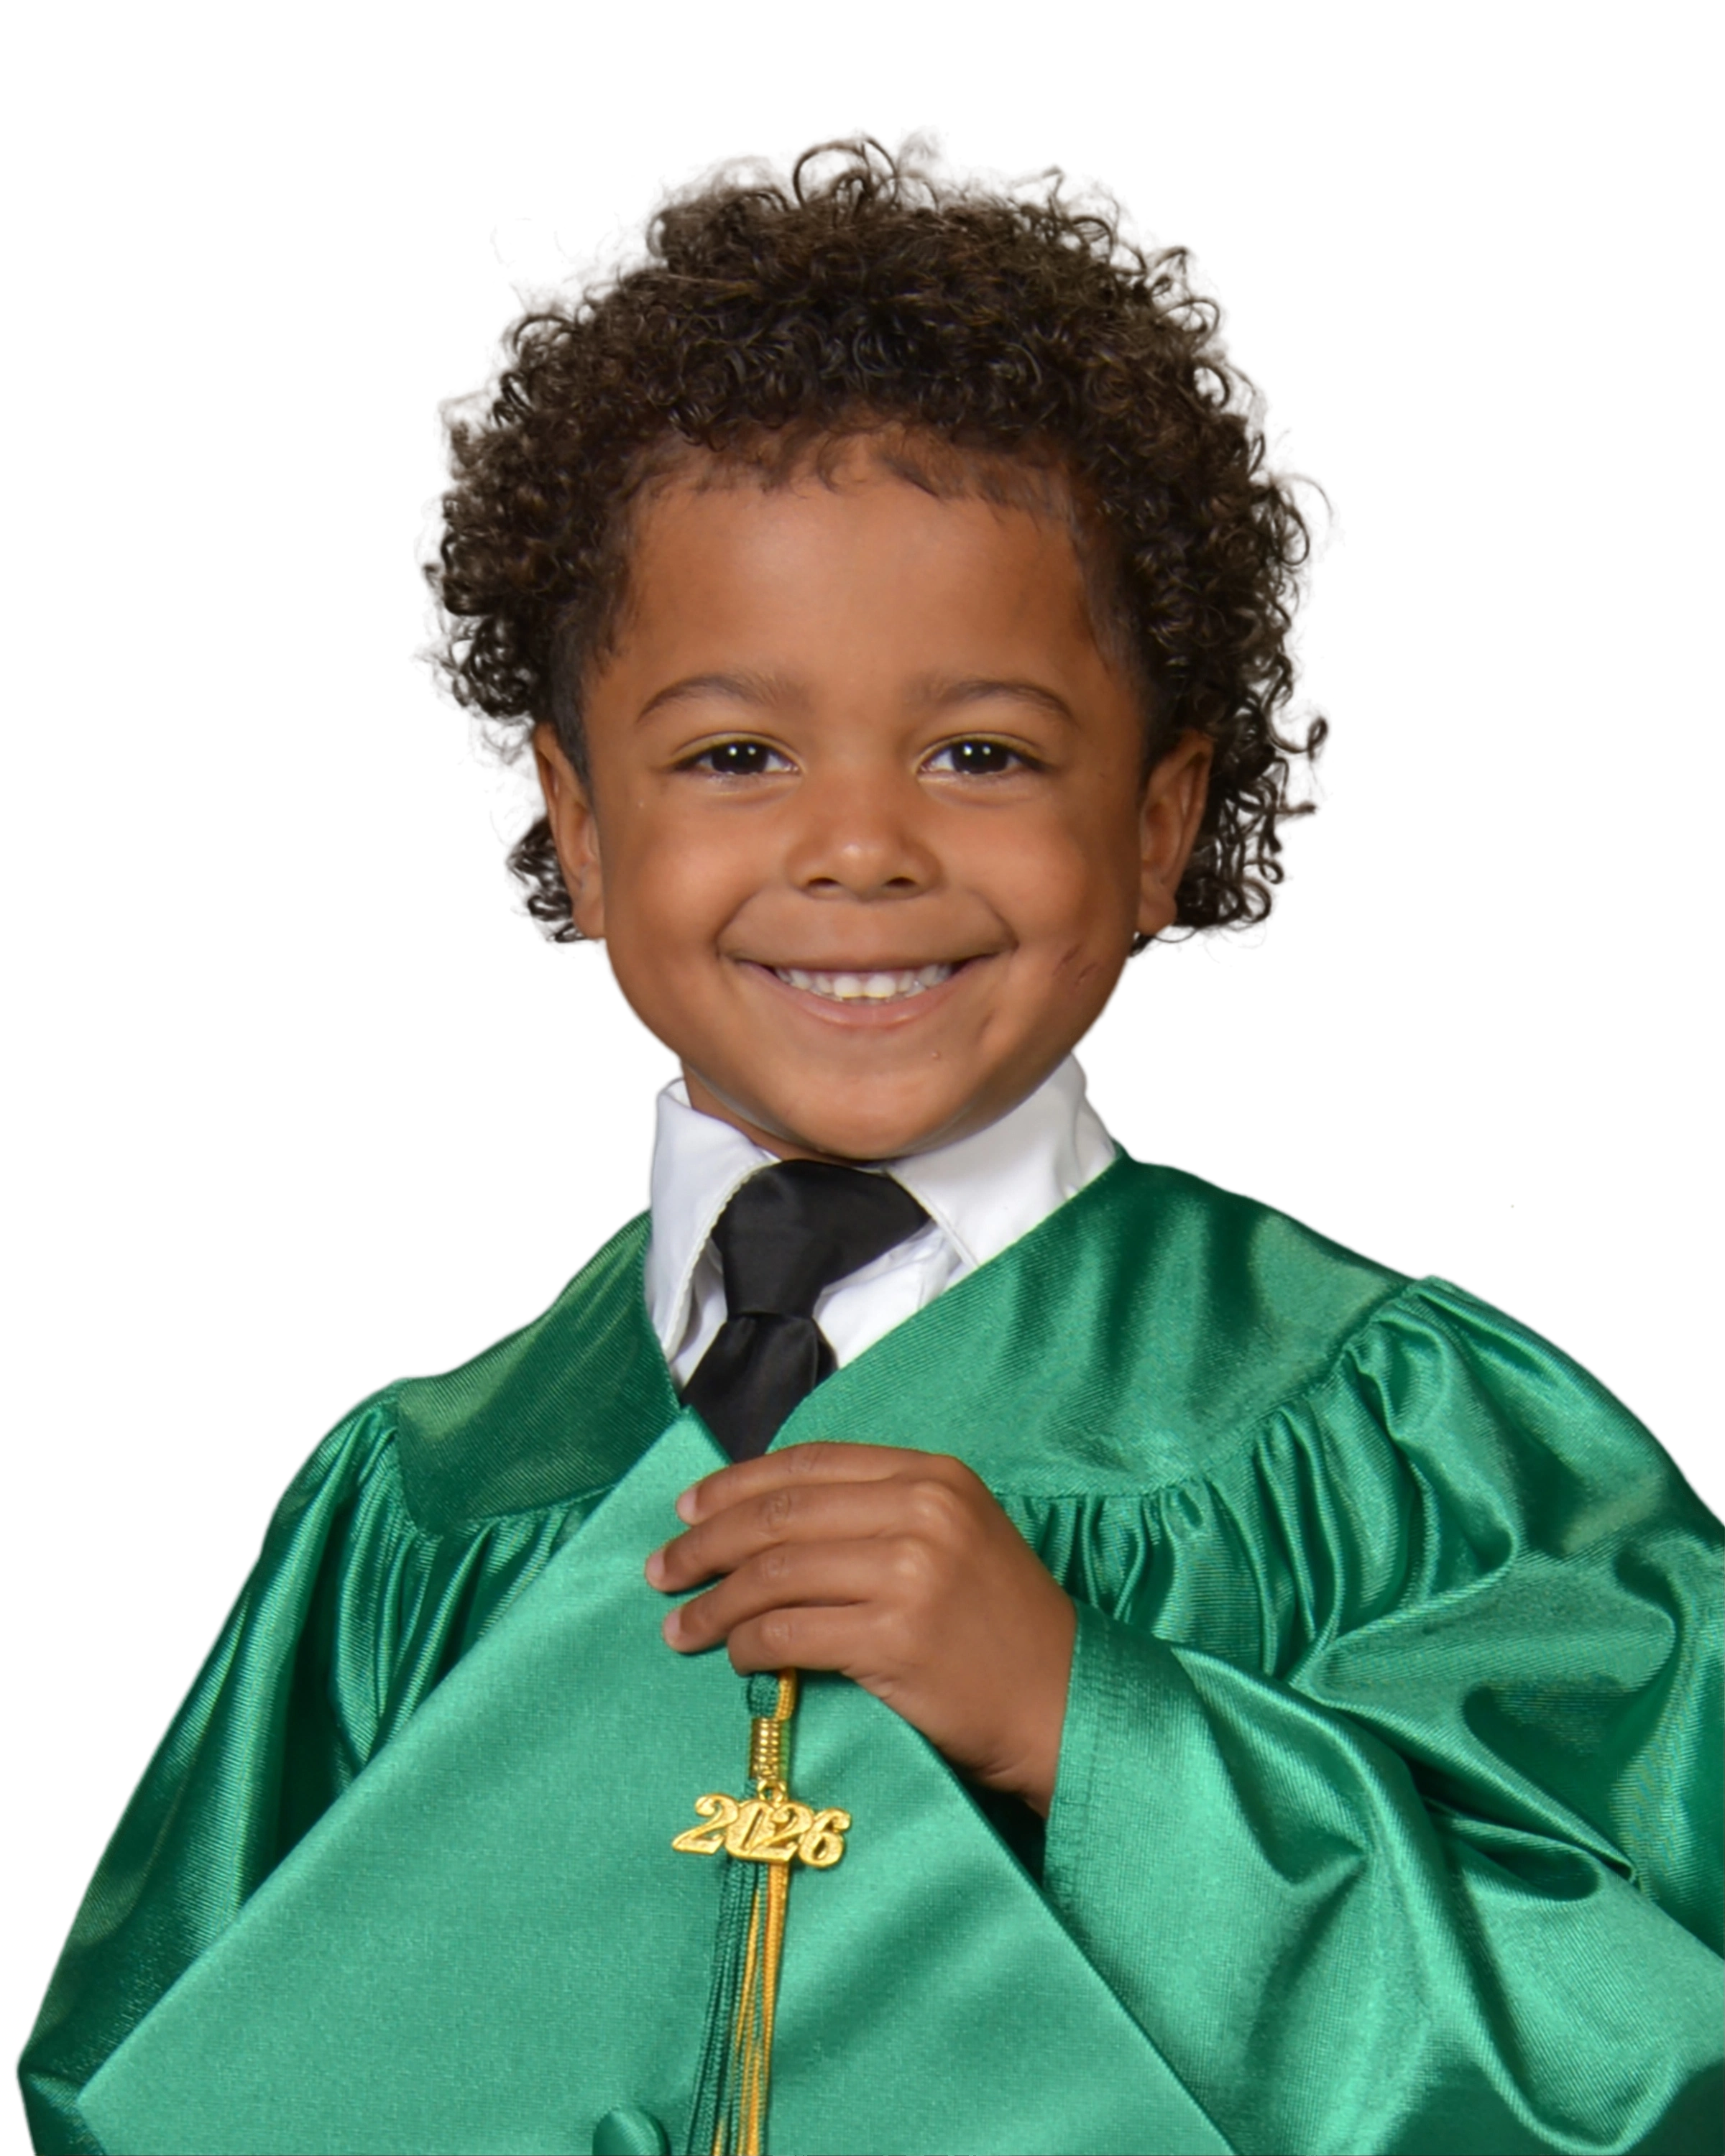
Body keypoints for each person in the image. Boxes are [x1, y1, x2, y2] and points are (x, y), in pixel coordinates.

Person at [14, 120, 1721, 2156]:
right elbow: (155, 2098)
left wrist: (1095, 1725)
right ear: (574, 824)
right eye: (737, 752)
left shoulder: (1405, 1449)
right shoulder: (420, 1508)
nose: (858, 849)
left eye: (979, 751)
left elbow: (1652, 2063)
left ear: (1161, 819)